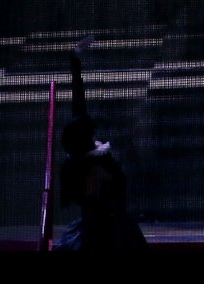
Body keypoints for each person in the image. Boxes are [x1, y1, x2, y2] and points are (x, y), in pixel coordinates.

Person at [55, 36, 148, 251]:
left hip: (107, 226)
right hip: (104, 233)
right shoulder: (90, 165)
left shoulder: (85, 157)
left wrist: (75, 63)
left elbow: (79, 107)